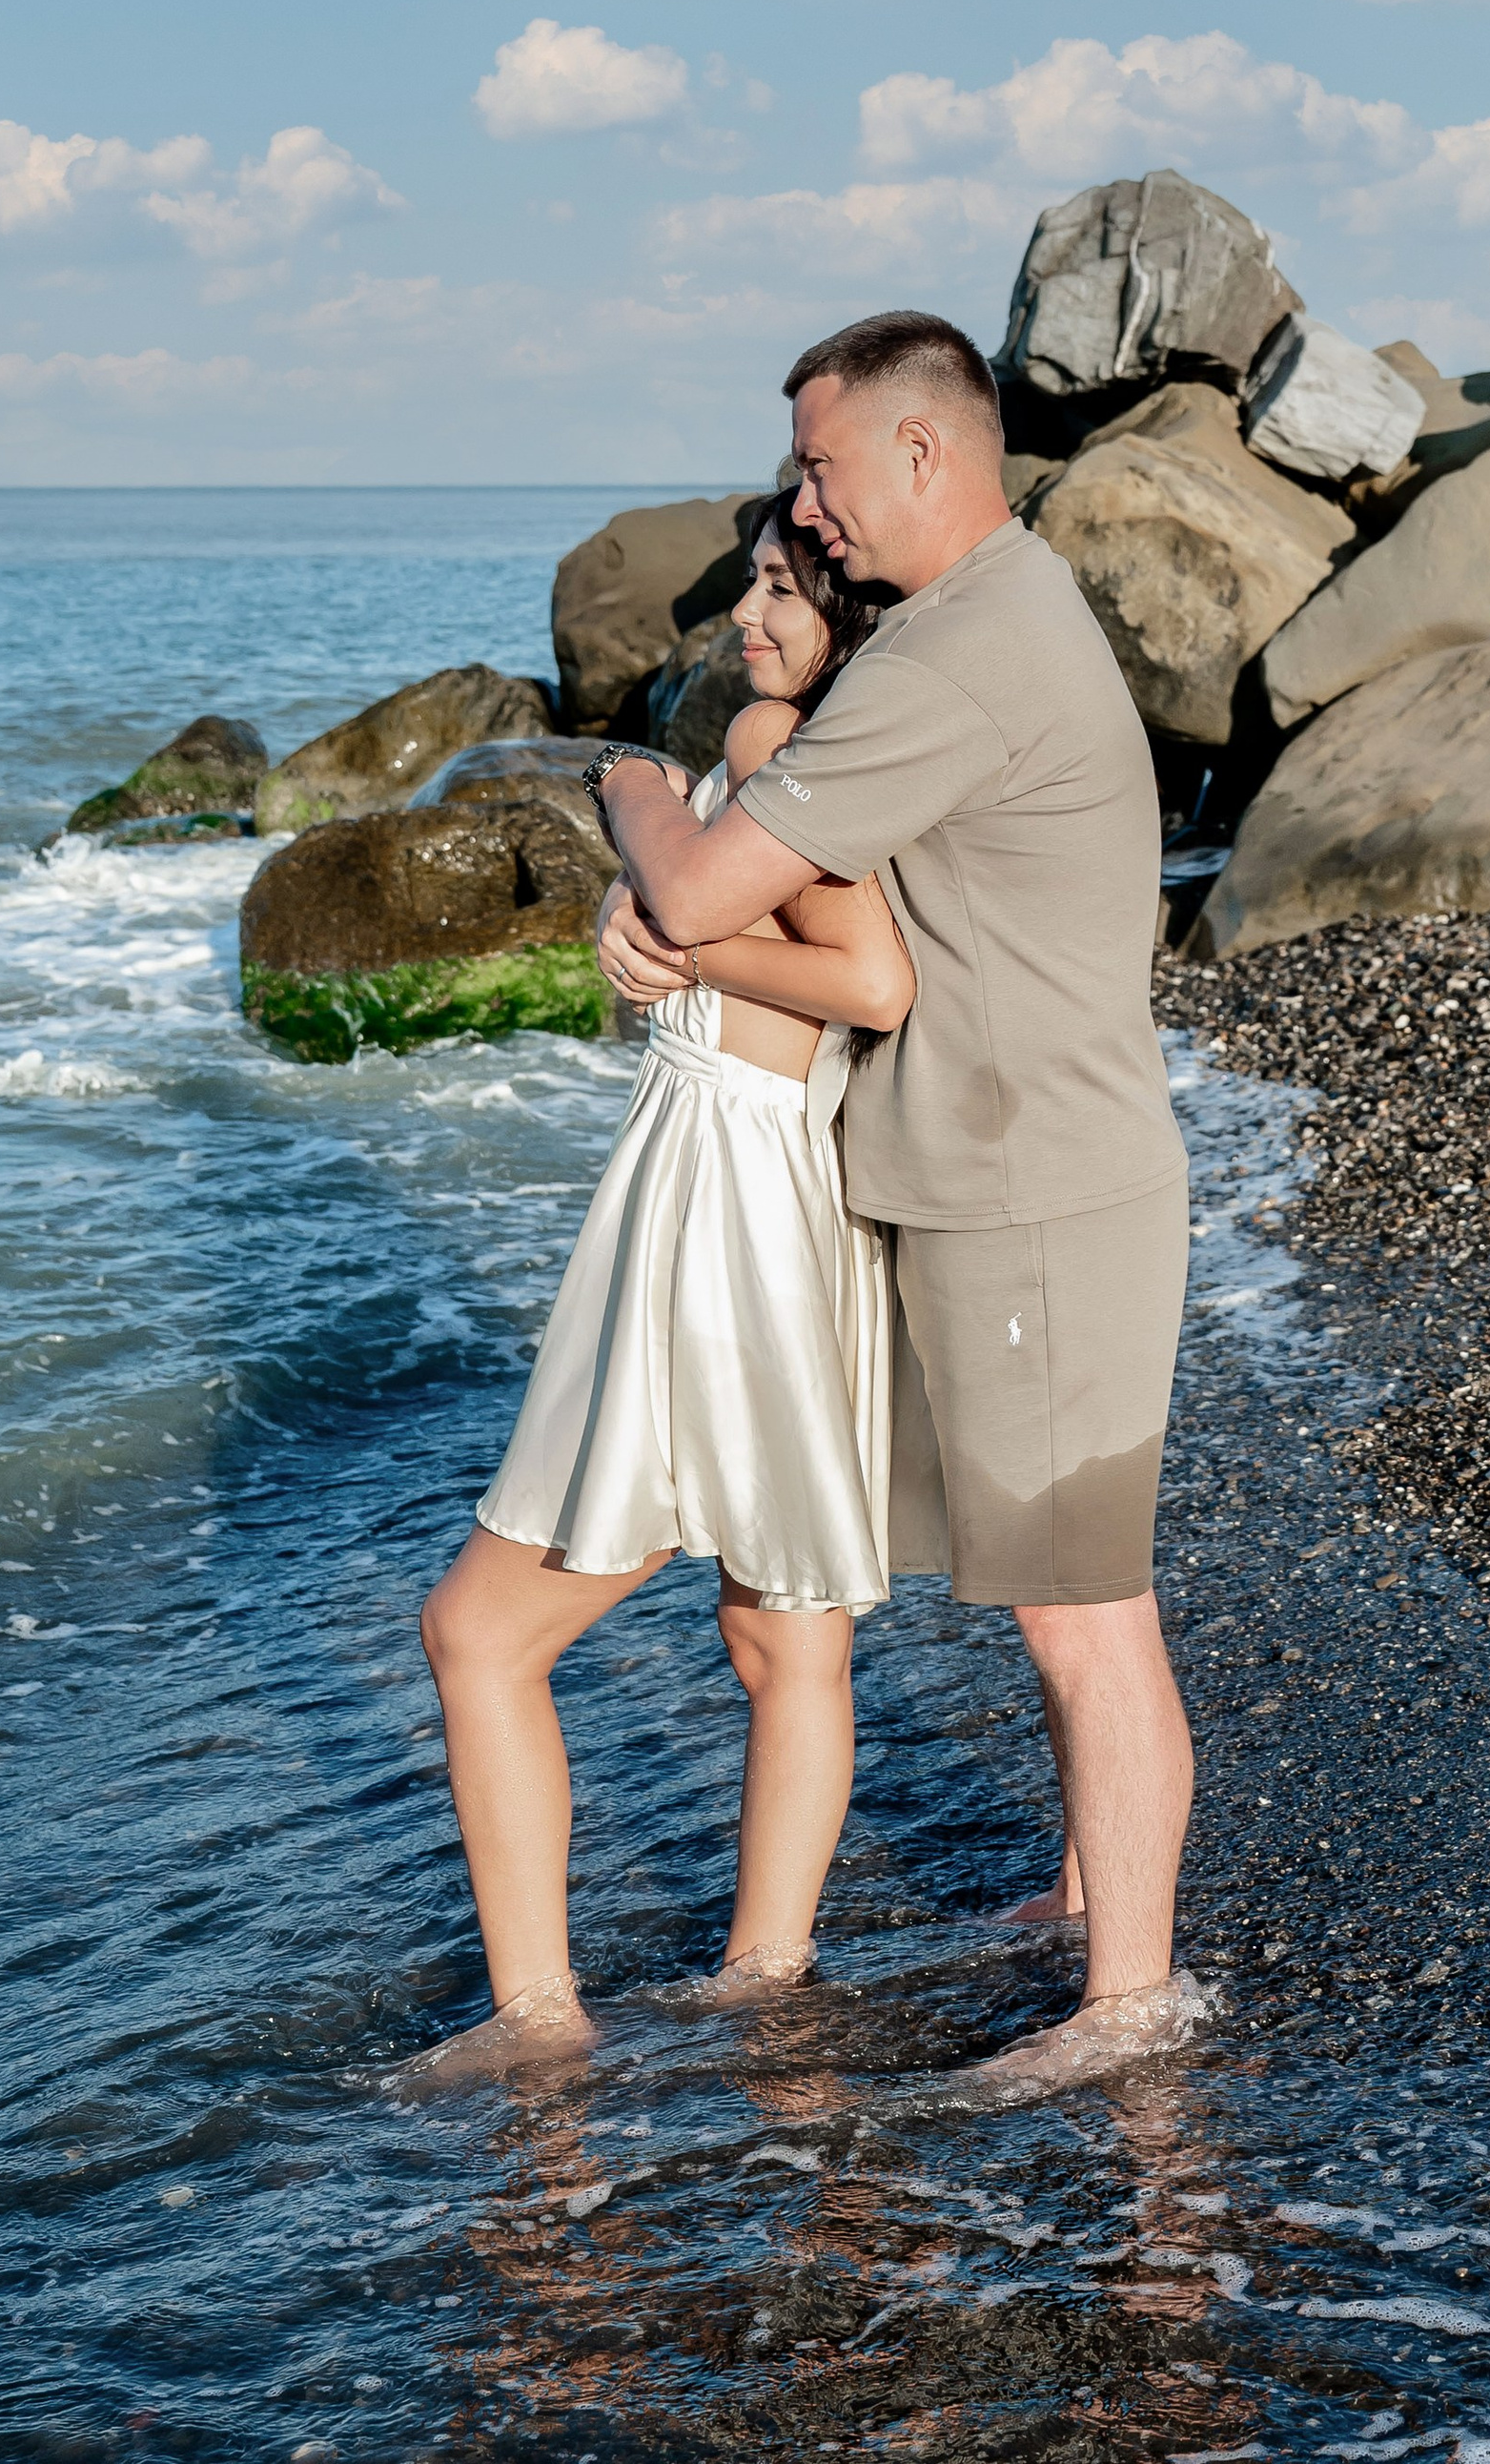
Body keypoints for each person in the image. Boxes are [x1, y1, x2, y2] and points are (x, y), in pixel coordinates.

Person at [594, 309, 1200, 2093]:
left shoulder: (955, 659)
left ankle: (1129, 2013)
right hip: (1022, 1175)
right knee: (1063, 1599)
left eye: (821, 467)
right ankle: (1097, 1906)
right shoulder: (985, 621)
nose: (807, 504)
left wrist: (627, 775)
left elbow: (704, 879)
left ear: (924, 453)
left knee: (1089, 1619)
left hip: (1032, 1192)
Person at [408, 499, 915, 2075]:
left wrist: (640, 814)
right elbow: (823, 956)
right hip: (779, 1181)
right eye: (750, 582)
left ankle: (540, 2020)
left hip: (724, 1193)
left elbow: (869, 970)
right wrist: (686, 936)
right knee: (785, 1638)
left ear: (846, 612)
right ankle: (767, 1979)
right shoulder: (837, 746)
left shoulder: (772, 738)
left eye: (781, 585)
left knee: (478, 1633)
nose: (748, 615)